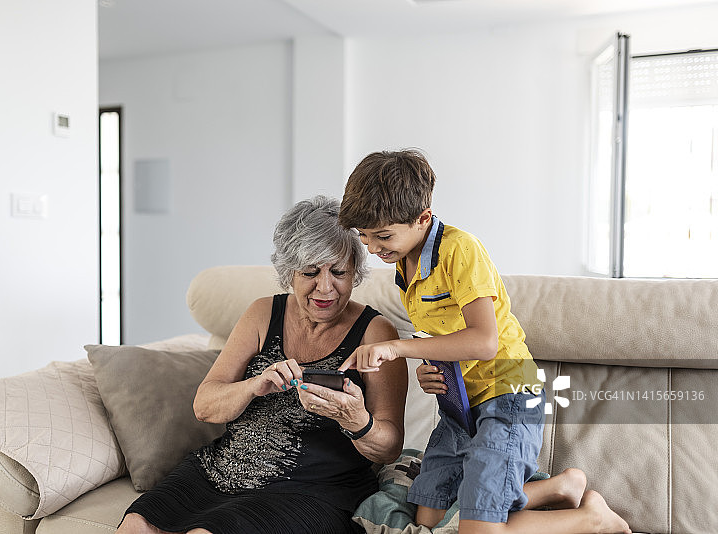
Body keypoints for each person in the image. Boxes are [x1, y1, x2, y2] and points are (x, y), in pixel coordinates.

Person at [337, 150, 631, 534]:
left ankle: (592, 518)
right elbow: (446, 337)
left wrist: (400, 348)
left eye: (383, 236)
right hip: (461, 405)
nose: (373, 248)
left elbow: (484, 341)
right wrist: (432, 371)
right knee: (430, 519)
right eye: (364, 237)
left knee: (475, 530)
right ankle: (560, 487)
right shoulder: (404, 263)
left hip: (507, 396)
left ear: (422, 218)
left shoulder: (460, 250)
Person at [117, 195, 408, 534]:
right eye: (310, 272)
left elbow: (390, 447)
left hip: (310, 490)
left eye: (339, 272)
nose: (326, 287)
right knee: (135, 526)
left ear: (355, 272)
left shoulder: (375, 331)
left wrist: (355, 418)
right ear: (288, 273)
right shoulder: (262, 313)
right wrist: (254, 386)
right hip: (219, 469)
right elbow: (205, 406)